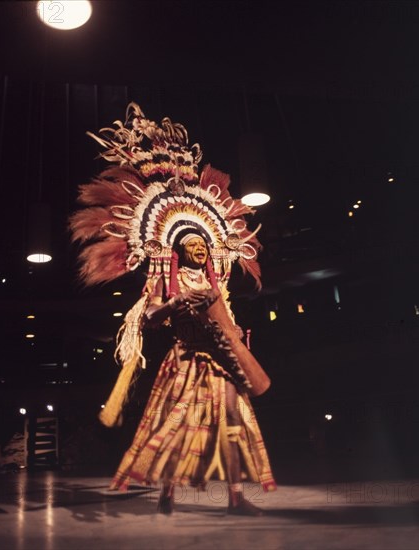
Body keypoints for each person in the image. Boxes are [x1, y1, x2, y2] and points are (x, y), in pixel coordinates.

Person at [70, 102, 276, 515]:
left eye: (204, 244)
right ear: (180, 249)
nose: (200, 248)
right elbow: (147, 317)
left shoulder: (217, 282)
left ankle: (236, 496)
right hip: (184, 362)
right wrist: (177, 303)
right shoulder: (169, 280)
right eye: (193, 245)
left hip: (220, 362)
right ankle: (166, 491)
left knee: (233, 425)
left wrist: (234, 336)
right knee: (175, 427)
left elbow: (228, 324)